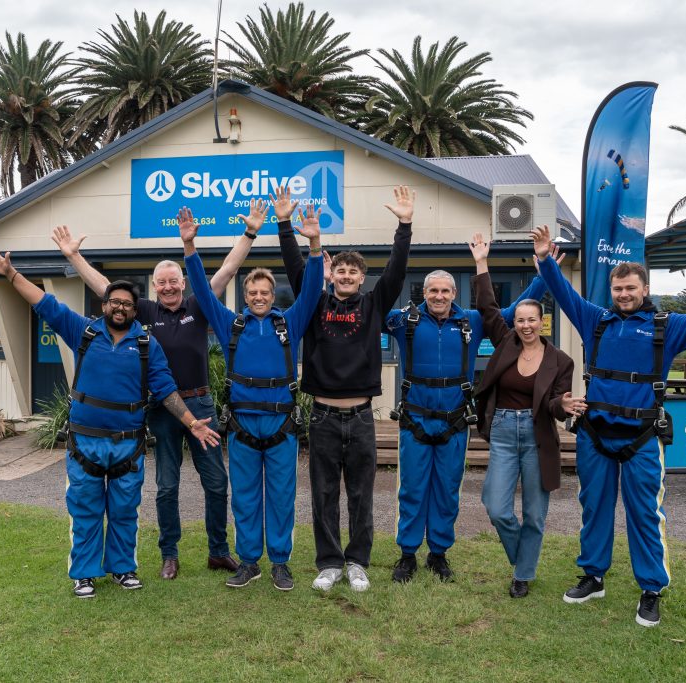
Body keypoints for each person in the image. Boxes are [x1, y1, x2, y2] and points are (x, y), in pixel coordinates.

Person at [531, 224, 686, 626]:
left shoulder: (668, 327)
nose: (624, 295)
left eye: (631, 288)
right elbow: (563, 294)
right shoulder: (595, 321)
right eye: (618, 289)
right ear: (611, 291)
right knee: (594, 509)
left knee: (645, 513)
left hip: (642, 437)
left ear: (644, 289)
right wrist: (544, 260)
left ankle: (650, 589)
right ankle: (593, 576)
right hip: (595, 435)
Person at [0, 245, 219, 598]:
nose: (120, 307)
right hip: (85, 442)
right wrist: (11, 274)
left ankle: (123, 569)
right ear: (104, 305)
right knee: (86, 508)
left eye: (127, 304)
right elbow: (45, 303)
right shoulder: (83, 333)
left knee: (124, 510)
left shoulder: (147, 345)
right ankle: (85, 574)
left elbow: (166, 389)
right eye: (114, 301)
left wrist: (191, 421)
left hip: (127, 442)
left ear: (136, 311)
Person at [50, 204, 266, 580]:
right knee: (167, 486)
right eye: (161, 282)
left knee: (216, 482)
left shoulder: (199, 305)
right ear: (154, 286)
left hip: (199, 403)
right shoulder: (143, 312)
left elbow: (228, 270)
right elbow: (104, 288)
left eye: (173, 281)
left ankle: (218, 551)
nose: (167, 286)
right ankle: (170, 553)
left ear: (183, 282)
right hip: (162, 409)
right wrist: (74, 256)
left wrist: (248, 234)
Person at [275, 185, 415, 593]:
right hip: (322, 417)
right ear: (332, 273)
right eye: (342, 270)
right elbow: (295, 267)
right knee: (323, 493)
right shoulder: (314, 303)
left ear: (362, 277)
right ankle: (330, 562)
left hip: (360, 417)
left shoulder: (374, 305)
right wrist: (287, 225)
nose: (348, 276)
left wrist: (404, 225)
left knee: (360, 494)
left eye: (355, 272)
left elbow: (398, 270)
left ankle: (357, 562)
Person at [183, 204, 324, 591]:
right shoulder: (232, 325)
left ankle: (279, 562)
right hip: (242, 425)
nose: (259, 297)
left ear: (272, 294)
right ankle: (248, 562)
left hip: (281, 424)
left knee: (281, 497)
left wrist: (314, 241)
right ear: (244, 295)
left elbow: (312, 290)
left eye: (265, 292)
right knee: (244, 498)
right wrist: (189, 247)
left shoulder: (289, 322)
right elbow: (201, 292)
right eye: (253, 292)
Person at [384, 266, 547, 583]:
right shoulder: (406, 320)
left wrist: (542, 277)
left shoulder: (471, 320)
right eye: (433, 291)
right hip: (415, 419)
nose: (439, 296)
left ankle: (438, 554)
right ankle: (407, 555)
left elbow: (516, 312)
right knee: (413, 490)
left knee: (446, 491)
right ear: (424, 293)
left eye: (445, 291)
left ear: (454, 294)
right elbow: (370, 309)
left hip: (455, 422)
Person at [468, 233, 582, 598]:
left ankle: (523, 575)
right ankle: (524, 559)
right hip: (502, 431)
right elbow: (487, 308)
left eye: (532, 319)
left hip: (537, 439)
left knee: (535, 514)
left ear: (542, 321)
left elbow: (551, 403)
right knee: (496, 507)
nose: (526, 325)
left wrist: (561, 406)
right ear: (514, 322)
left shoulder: (560, 361)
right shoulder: (505, 342)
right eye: (520, 319)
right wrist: (481, 264)